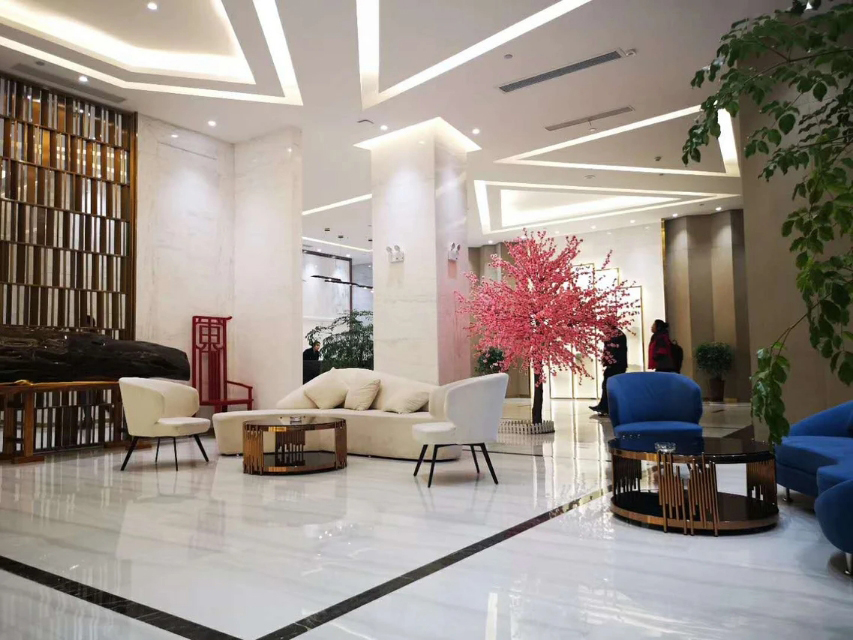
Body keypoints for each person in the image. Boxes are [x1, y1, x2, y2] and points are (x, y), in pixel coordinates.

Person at [590, 326, 628, 416]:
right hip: (616, 364)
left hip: (616, 365)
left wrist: (608, 361)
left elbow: (612, 350)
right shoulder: (615, 334)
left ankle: (606, 407)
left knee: (609, 386)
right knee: (607, 385)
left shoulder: (615, 335)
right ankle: (604, 407)